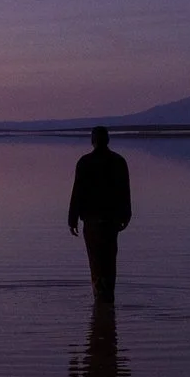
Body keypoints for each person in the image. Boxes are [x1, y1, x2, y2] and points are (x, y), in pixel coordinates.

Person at [66, 126, 132, 303]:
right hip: (111, 220)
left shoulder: (85, 162)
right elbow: (125, 192)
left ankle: (100, 301)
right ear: (108, 140)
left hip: (93, 220)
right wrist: (126, 215)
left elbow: (77, 192)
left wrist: (72, 219)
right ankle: (107, 300)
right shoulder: (118, 161)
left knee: (95, 261)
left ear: (92, 141)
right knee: (109, 260)